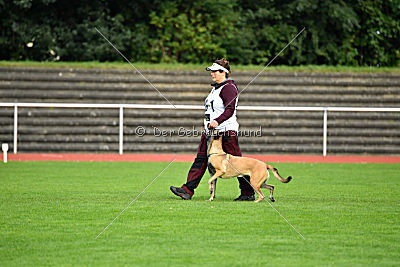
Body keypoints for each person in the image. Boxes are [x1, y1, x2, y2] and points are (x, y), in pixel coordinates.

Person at [170, 58, 255, 201]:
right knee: (201, 159)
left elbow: (230, 110)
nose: (212, 74)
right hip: (211, 132)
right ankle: (187, 190)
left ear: (223, 72)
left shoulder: (228, 88)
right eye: (211, 71)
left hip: (226, 131)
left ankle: (248, 193)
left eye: (214, 71)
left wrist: (217, 121)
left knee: (238, 163)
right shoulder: (216, 88)